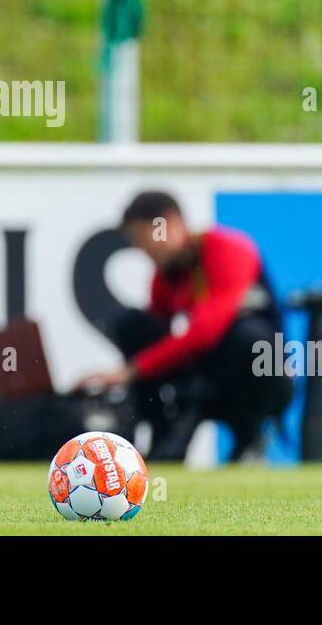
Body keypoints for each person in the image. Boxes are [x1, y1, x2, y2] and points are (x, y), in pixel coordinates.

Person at [77, 191, 292, 462]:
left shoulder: (228, 249)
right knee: (131, 325)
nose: (142, 250)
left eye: (143, 239)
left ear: (169, 223)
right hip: (208, 377)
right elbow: (158, 337)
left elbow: (204, 334)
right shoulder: (164, 278)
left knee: (247, 338)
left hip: (260, 377)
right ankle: (160, 432)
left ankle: (248, 436)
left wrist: (131, 371)